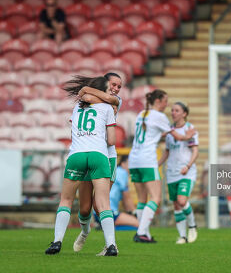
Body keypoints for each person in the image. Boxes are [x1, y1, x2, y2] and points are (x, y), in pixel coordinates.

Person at [45, 76, 118, 256]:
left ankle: (57, 242)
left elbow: (73, 133)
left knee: (66, 200)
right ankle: (111, 246)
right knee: (102, 203)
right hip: (99, 156)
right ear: (103, 90)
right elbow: (112, 140)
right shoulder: (109, 107)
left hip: (77, 155)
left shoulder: (77, 107)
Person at [129, 89, 196, 243]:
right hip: (147, 159)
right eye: (165, 101)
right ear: (158, 101)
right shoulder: (159, 116)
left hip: (134, 159)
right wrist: (188, 136)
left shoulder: (142, 114)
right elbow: (176, 136)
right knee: (155, 198)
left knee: (141, 199)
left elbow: (154, 133)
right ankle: (140, 232)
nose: (167, 105)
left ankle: (145, 233)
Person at [71, 73, 123, 255]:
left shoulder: (116, 101)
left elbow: (92, 96)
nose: (116, 89)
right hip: (89, 153)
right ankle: (85, 232)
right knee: (84, 208)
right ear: (105, 83)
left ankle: (111, 245)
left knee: (100, 205)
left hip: (107, 157)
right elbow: (86, 96)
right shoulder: (98, 101)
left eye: (119, 86)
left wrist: (86, 90)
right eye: (114, 84)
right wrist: (86, 92)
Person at [158, 102, 199, 244]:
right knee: (176, 205)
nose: (173, 113)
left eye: (177, 110)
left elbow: (195, 150)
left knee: (182, 201)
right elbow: (167, 151)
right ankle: (183, 236)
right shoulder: (170, 131)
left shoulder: (190, 129)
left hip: (186, 172)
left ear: (184, 113)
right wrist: (158, 164)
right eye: (172, 110)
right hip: (171, 172)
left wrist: (188, 165)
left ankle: (193, 226)